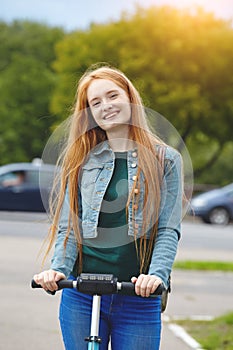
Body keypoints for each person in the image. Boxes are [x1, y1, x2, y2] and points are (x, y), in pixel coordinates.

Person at [34, 64, 183, 350]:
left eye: (113, 95)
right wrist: (58, 270)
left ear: (129, 97)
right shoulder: (80, 159)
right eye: (95, 102)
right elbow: (69, 226)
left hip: (139, 297)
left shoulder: (166, 160)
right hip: (82, 296)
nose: (106, 106)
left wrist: (156, 275)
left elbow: (167, 229)